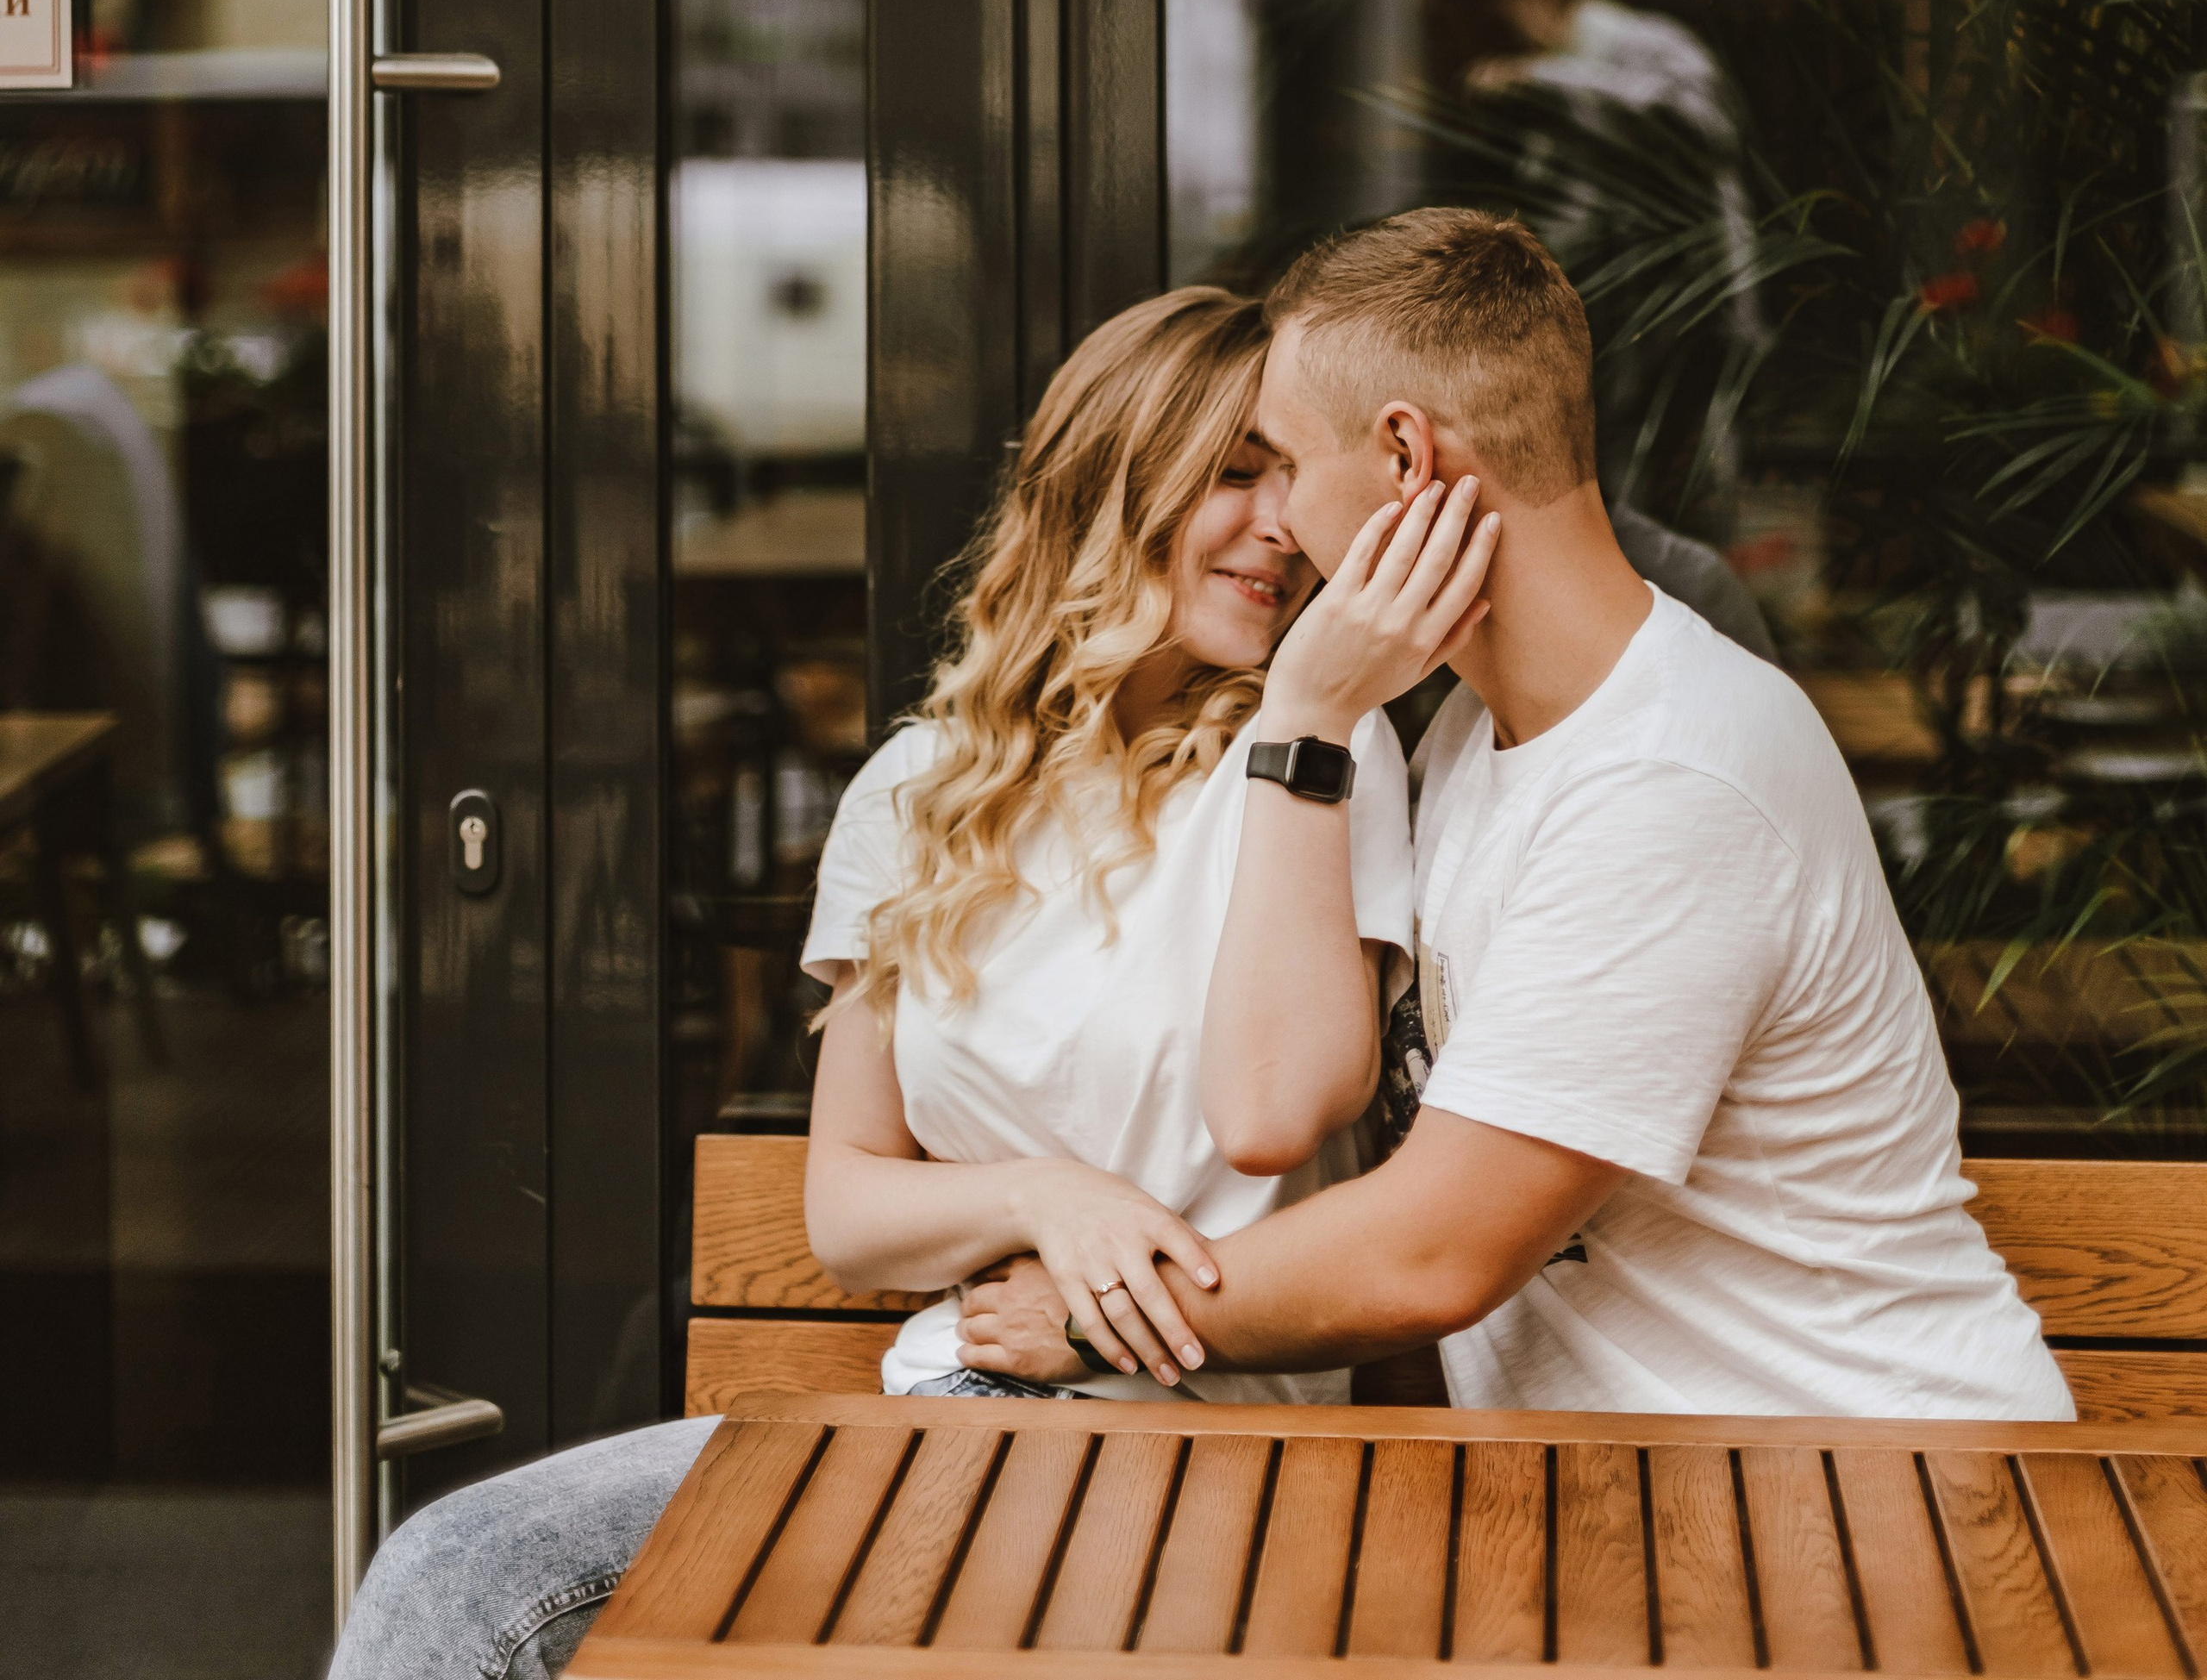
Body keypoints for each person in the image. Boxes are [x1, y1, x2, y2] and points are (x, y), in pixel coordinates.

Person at [328, 284, 1436, 1680]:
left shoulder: (1314, 756)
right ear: (1110, 484)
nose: (1282, 526)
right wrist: (1048, 1193)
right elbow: (847, 1204)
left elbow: (1288, 1106)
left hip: (1198, 1448)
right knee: (454, 1570)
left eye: (1295, 479)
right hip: (946, 1408)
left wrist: (1309, 718)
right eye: (1233, 474)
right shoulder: (924, 789)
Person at [960, 206, 2073, 1423]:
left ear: (1404, 459)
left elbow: (1431, 1253)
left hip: (1874, 1492)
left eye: (1281, 457)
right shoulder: (1473, 738)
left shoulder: (1673, 775)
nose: (1277, 516)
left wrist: (1083, 1315)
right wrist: (1307, 718)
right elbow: (1273, 1103)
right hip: (1660, 1502)